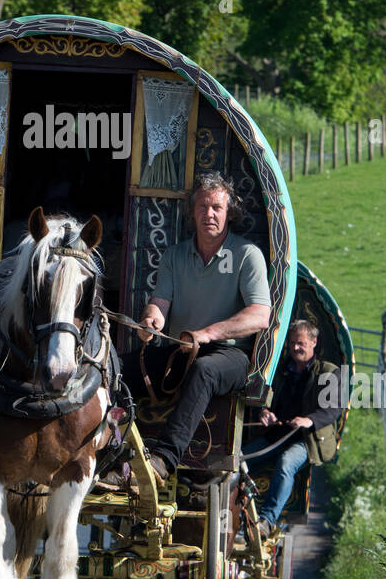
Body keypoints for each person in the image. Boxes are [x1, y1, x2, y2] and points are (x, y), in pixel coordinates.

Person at [102, 171, 271, 487]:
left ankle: (163, 460)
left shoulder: (247, 255)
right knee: (113, 369)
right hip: (180, 348)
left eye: (217, 208)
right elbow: (159, 306)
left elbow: (259, 315)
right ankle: (110, 455)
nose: (210, 214)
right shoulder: (175, 256)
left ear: (228, 212)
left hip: (229, 357)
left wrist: (208, 333)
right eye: (203, 207)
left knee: (205, 370)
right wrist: (151, 321)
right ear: (192, 213)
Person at [244, 320, 341, 536]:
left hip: (306, 439)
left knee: (286, 463)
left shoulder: (329, 372)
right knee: (239, 460)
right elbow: (265, 397)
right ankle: (236, 512)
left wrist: (309, 420)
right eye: (292, 343)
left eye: (301, 343)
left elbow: (333, 409)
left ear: (314, 342)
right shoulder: (280, 368)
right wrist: (265, 412)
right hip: (277, 434)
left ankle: (267, 521)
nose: (296, 347)